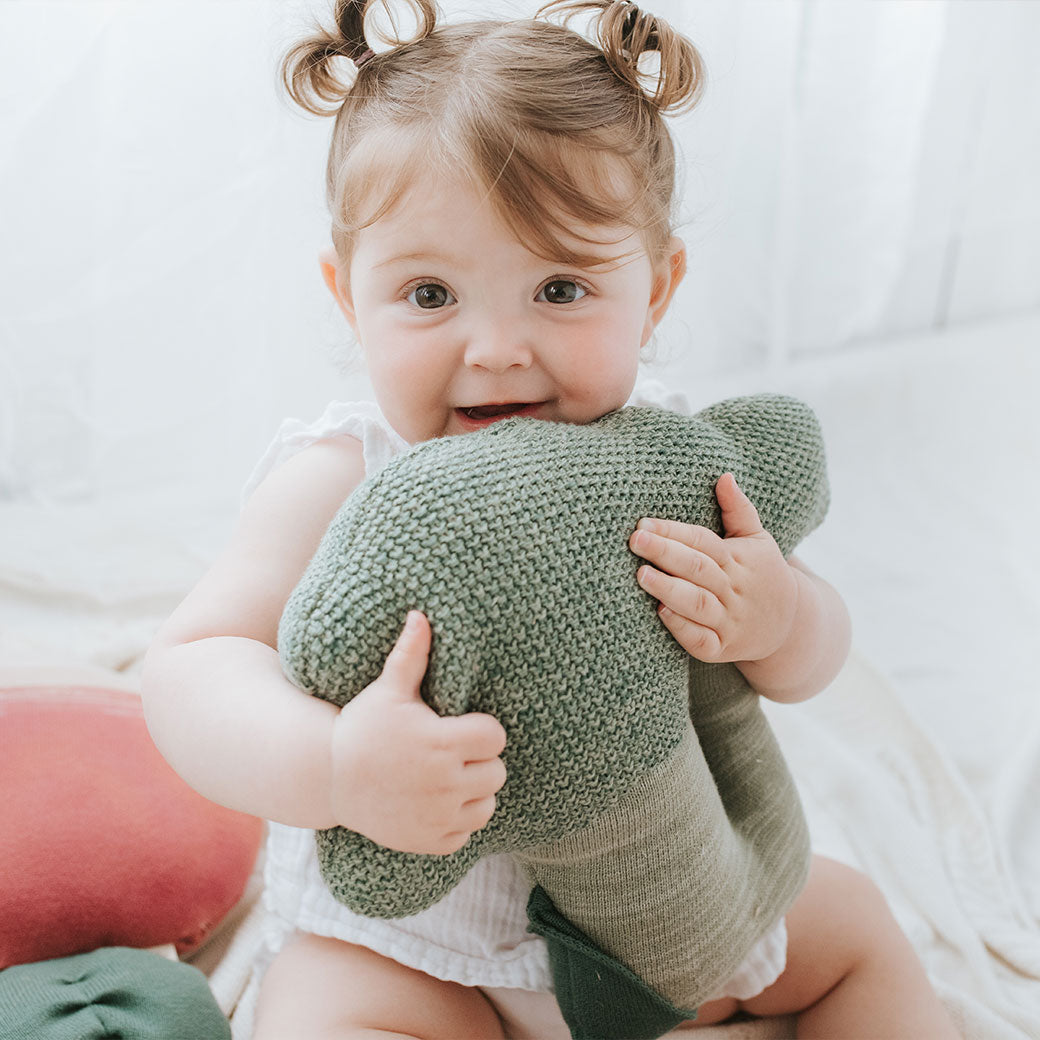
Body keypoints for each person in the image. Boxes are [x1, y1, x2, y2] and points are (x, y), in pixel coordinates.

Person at [141, 2, 958, 1037]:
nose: (493, 347)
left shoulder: (659, 462)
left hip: (670, 912)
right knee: (318, 1006)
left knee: (856, 934)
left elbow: (808, 662)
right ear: (348, 296)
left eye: (559, 287)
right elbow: (190, 666)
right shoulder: (341, 475)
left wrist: (778, 617)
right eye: (429, 293)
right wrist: (336, 763)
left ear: (654, 291)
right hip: (415, 951)